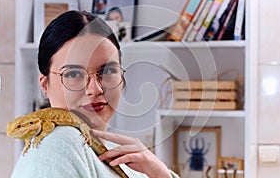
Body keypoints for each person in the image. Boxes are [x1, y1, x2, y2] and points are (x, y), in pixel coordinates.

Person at [11, 10, 179, 178]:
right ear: (45, 85)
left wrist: (161, 174)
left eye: (108, 71)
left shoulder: (125, 157)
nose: (95, 89)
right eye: (73, 74)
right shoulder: (56, 145)